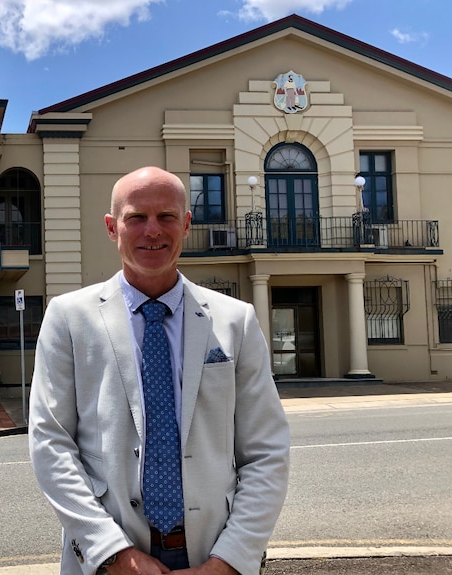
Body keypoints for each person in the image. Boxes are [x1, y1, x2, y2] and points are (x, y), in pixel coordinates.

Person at [29, 166, 290, 575]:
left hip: (211, 553)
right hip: (109, 559)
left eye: (166, 216)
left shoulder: (235, 321)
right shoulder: (68, 318)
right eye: (136, 217)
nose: (153, 230)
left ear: (186, 224)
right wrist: (113, 553)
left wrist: (230, 559)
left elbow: (266, 451)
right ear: (112, 227)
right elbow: (50, 444)